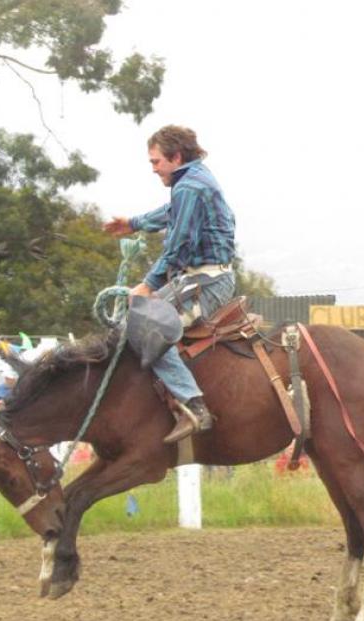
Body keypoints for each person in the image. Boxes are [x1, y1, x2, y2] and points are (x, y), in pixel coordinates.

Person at [104, 125, 236, 444]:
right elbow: (171, 213)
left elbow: (179, 246)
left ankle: (194, 405)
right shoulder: (192, 182)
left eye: (156, 162)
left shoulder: (188, 187)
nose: (153, 169)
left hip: (208, 281)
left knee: (145, 328)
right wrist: (134, 223)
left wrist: (148, 285)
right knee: (128, 323)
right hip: (198, 277)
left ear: (176, 157)